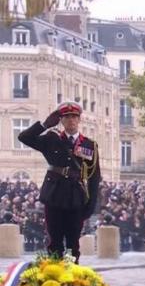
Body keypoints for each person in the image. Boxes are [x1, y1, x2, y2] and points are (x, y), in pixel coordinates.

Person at [18, 102, 101, 263]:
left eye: (74, 117)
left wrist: (90, 205)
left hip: (76, 197)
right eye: (67, 117)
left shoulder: (89, 144)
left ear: (79, 120)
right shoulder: (51, 138)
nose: (71, 120)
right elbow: (24, 137)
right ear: (61, 120)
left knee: (72, 244)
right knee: (54, 242)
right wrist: (44, 125)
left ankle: (70, 278)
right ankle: (55, 276)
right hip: (54, 195)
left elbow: (94, 177)